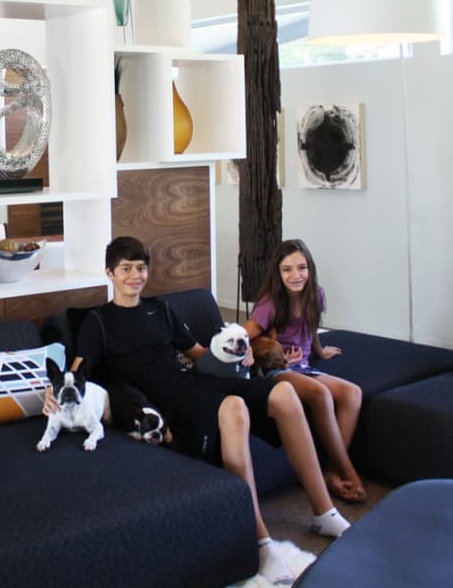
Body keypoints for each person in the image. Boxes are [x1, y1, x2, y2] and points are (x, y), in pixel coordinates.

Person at [45, 236, 350, 587]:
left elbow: (201, 355)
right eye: (126, 269)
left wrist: (238, 351)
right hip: (160, 400)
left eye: (141, 268)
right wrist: (52, 393)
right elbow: (76, 372)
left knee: (283, 392)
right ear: (110, 273)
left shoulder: (160, 310)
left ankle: (323, 511)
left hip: (190, 382)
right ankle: (261, 542)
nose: (135, 276)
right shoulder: (98, 322)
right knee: (234, 407)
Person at [244, 239, 366, 504]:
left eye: (301, 267)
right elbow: (242, 335)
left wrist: (320, 352)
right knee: (320, 395)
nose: (295, 275)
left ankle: (331, 473)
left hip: (303, 366)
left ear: (310, 268)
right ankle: (349, 472)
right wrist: (269, 354)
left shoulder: (316, 294)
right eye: (287, 269)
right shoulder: (270, 304)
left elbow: (310, 328)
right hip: (276, 369)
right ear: (278, 272)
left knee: (352, 393)